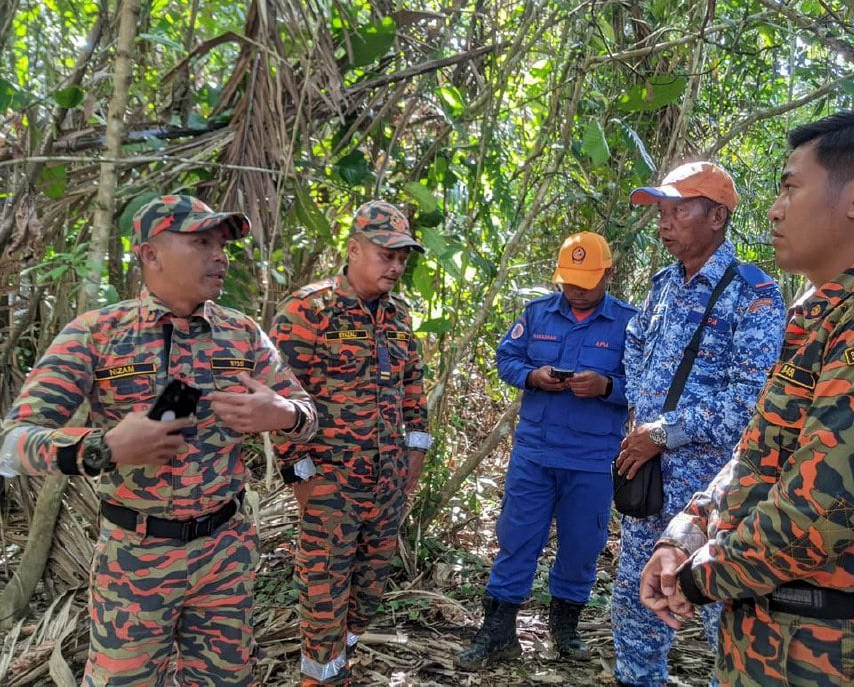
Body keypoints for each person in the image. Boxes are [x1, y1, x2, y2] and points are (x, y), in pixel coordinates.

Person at [641, 111, 854, 686]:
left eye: (790, 186)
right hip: (768, 648)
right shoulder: (820, 316)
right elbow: (758, 455)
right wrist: (683, 533)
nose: (774, 208)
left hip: (838, 658)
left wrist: (693, 578)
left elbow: (816, 512)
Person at [0, 194, 320, 686]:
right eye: (202, 241)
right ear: (150, 254)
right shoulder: (97, 334)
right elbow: (14, 442)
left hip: (225, 555)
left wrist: (280, 413)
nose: (220, 254)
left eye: (223, 243)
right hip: (135, 559)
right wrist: (104, 447)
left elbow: (308, 414)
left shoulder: (242, 335)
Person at [612, 161, 786, 686]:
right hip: (650, 484)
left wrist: (659, 434)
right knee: (634, 608)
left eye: (677, 210)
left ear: (716, 217)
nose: (665, 223)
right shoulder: (664, 284)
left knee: (725, 618)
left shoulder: (753, 293)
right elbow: (636, 347)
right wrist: (638, 421)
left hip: (715, 496)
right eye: (661, 212)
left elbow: (748, 400)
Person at [456, 231, 639, 670]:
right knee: (516, 541)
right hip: (534, 455)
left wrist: (607, 386)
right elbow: (506, 358)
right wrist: (532, 376)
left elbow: (647, 387)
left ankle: (565, 629)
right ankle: (498, 632)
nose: (574, 290)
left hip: (592, 460)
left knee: (582, 545)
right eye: (568, 282)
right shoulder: (538, 314)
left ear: (608, 275)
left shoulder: (631, 323)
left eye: (585, 282)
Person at [269, 200, 433, 687]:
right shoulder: (308, 310)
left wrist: (414, 464)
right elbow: (280, 401)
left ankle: (338, 660)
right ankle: (320, 678)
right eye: (387, 255)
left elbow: (414, 396)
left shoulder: (398, 318)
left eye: (403, 257)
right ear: (354, 249)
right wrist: (302, 480)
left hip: (386, 489)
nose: (397, 266)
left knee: (368, 596)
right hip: (331, 487)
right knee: (324, 599)